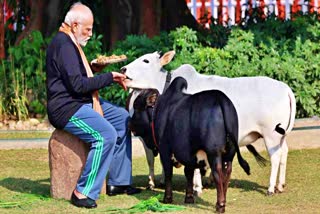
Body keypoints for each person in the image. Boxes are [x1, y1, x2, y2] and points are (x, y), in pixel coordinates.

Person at [46, 2, 141, 209]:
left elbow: (74, 75)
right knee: (105, 134)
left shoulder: (71, 42)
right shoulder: (63, 45)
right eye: (87, 29)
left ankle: (119, 182)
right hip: (67, 108)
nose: (90, 33)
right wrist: (109, 76)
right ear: (74, 25)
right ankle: (82, 192)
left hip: (81, 100)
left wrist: (93, 68)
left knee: (121, 117)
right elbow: (78, 85)